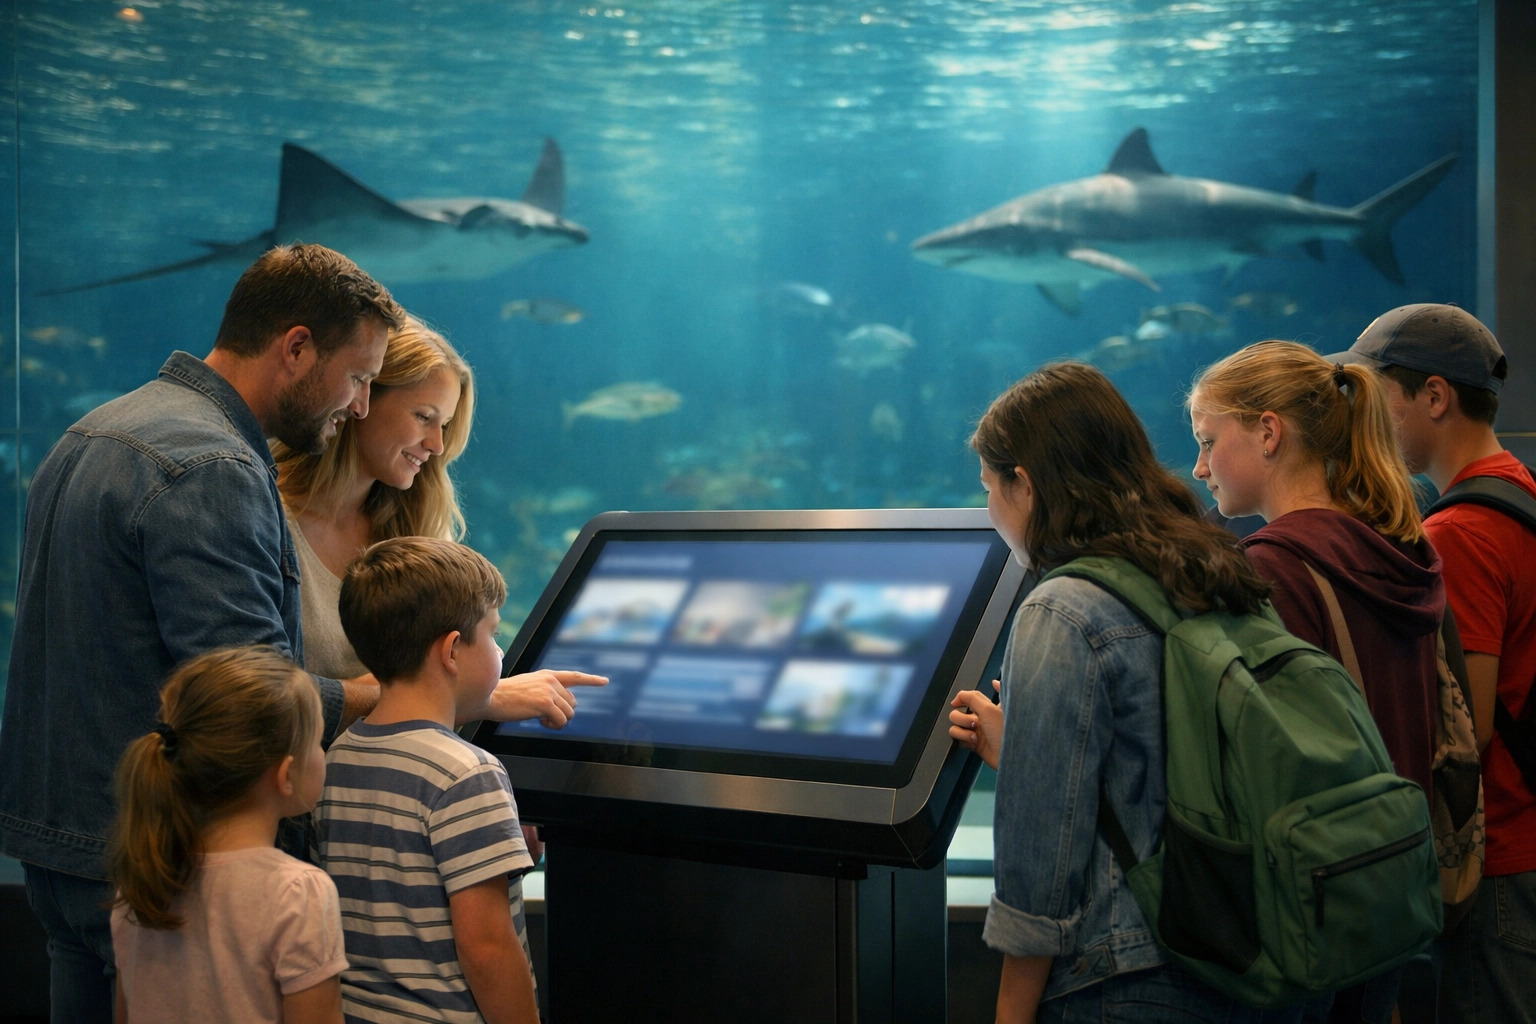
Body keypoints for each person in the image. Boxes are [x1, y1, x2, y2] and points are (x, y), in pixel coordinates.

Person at [0, 243, 400, 1023]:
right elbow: (246, 696)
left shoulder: (98, 429)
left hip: (56, 844)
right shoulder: (211, 465)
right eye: (358, 377)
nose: (358, 405)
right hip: (152, 859)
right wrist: (388, 692)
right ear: (295, 348)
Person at [946, 362, 1298, 1023]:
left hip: (1125, 978)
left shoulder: (1063, 609)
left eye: (989, 487)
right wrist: (1019, 750)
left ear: (1024, 483)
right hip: (1245, 960)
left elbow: (1039, 871)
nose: (989, 508)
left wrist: (1010, 1014)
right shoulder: (1215, 572)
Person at [275, 315, 605, 860]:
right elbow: (257, 697)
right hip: (297, 838)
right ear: (360, 398)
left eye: (446, 425)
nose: (436, 443)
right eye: (423, 416)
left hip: (397, 830)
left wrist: (494, 808)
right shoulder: (266, 518)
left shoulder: (411, 527)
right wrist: (483, 698)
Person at [1190, 339, 1444, 1023]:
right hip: (1389, 883)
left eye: (1210, 440)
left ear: (1268, 432)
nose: (1199, 466)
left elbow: (1255, 762)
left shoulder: (1277, 567)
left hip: (1308, 900)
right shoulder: (1398, 548)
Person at [1333, 304, 1535, 1024]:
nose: (1360, 417)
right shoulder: (1520, 492)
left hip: (1507, 857)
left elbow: (1467, 731)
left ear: (1434, 397)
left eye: (1370, 393)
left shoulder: (1463, 533)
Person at [317, 537, 539, 1024]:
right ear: (453, 651)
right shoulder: (468, 774)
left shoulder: (338, 756)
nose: (500, 651)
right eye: (493, 635)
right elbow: (486, 946)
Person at [109, 646, 346, 1024]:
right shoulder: (299, 892)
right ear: (286, 775)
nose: (321, 753)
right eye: (317, 741)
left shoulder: (143, 878)